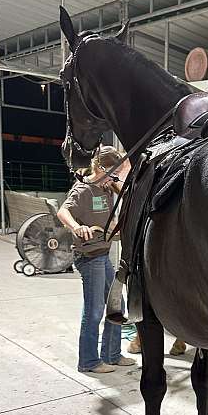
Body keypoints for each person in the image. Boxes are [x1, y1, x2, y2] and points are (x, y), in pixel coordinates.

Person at [58, 146, 135, 374]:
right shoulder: (83, 190)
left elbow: (125, 195)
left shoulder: (106, 187)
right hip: (89, 257)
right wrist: (77, 227)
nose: (114, 178)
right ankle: (89, 361)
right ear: (101, 167)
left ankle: (111, 355)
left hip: (103, 255)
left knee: (117, 305)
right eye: (112, 173)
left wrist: (113, 182)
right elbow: (63, 211)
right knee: (93, 311)